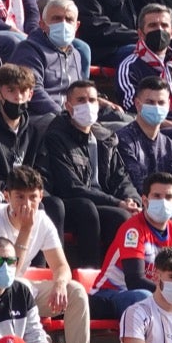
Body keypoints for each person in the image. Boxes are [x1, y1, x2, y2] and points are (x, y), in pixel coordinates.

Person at [0, 165, 88, 343]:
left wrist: (60, 283)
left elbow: (61, 265)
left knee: (77, 293)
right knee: (20, 284)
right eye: (20, 197)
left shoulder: (43, 220)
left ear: (41, 196)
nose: (28, 204)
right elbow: (8, 272)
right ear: (7, 196)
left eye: (33, 197)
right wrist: (26, 230)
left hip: (25, 288)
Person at [44, 81, 141, 271]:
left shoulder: (106, 138)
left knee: (128, 215)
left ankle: (121, 275)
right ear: (68, 106)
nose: (87, 105)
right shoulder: (56, 137)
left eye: (92, 100)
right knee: (95, 210)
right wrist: (117, 203)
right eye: (81, 100)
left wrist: (132, 199)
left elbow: (121, 177)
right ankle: (92, 272)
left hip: (104, 202)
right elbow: (70, 186)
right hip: (75, 203)